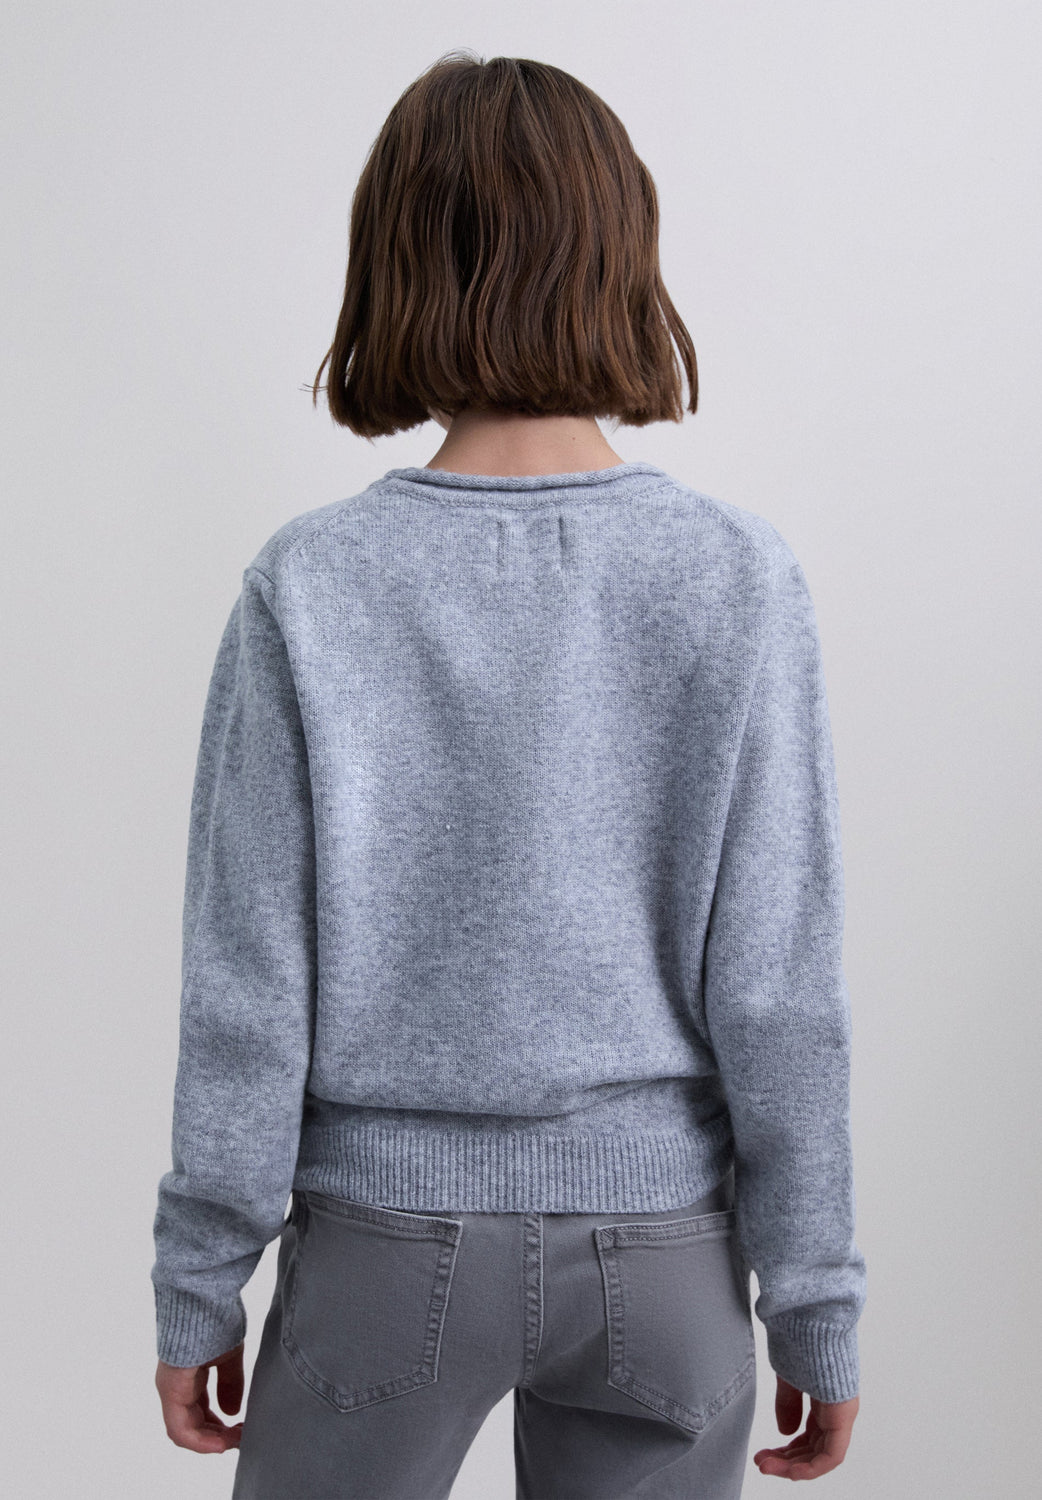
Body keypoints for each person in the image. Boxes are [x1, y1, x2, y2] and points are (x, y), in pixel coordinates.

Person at [151, 50, 866, 1498]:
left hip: (382, 1246)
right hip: (664, 1255)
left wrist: (199, 1278)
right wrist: (816, 1301)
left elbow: (248, 984)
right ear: (620, 258)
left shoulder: (313, 583)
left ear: (395, 266)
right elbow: (781, 988)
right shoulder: (735, 578)